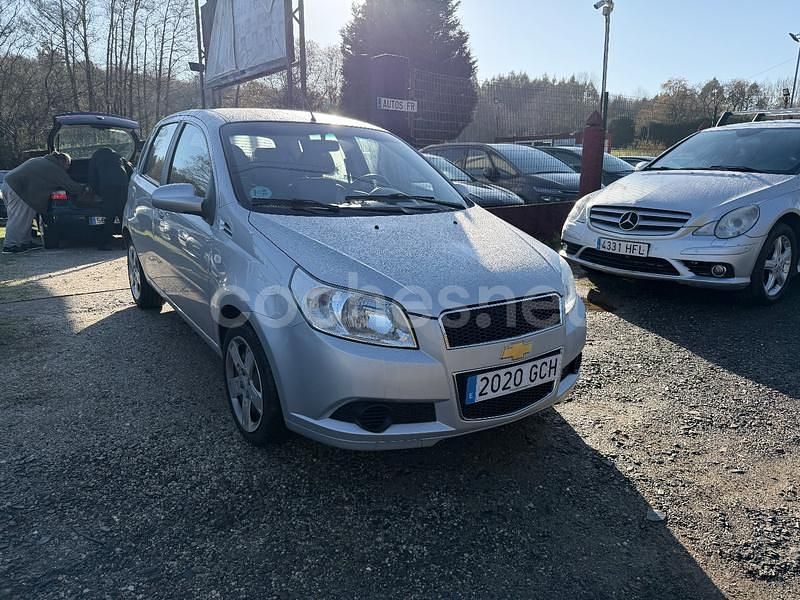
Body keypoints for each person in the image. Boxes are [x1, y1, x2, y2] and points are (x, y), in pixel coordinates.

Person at [2, 152, 86, 254]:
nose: (68, 168)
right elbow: (71, 186)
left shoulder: (41, 160)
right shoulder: (54, 168)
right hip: (19, 188)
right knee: (18, 218)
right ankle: (10, 246)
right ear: (62, 161)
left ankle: (24, 242)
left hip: (9, 184)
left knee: (23, 218)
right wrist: (85, 188)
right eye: (68, 164)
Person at [88, 148, 131, 250]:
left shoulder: (95, 158)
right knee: (122, 214)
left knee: (109, 216)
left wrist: (94, 191)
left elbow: (92, 177)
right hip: (122, 185)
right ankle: (126, 243)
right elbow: (130, 170)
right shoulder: (118, 156)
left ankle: (104, 244)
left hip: (107, 187)